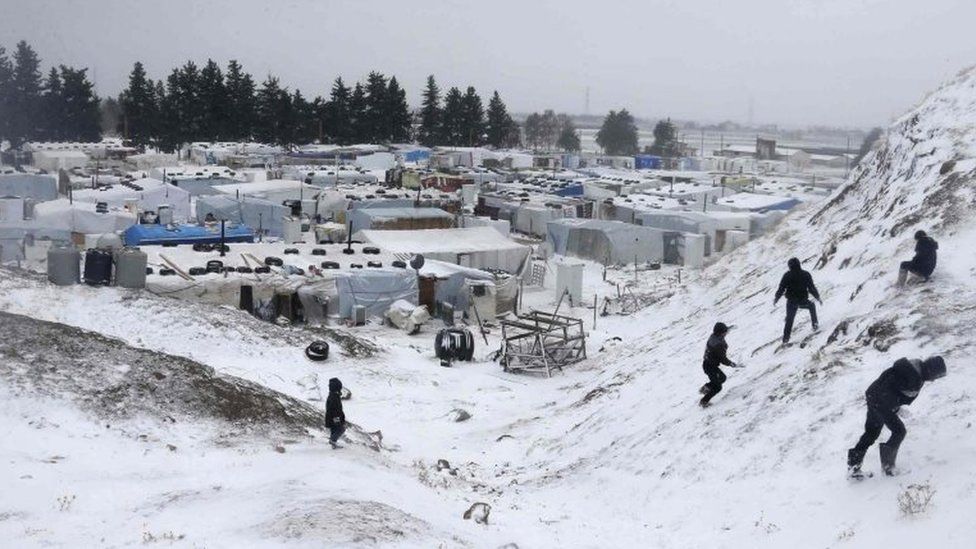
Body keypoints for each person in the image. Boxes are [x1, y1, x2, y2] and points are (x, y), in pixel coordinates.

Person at [847, 356, 946, 478]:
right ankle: (888, 468)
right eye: (936, 376)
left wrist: (894, 407)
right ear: (932, 371)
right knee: (899, 431)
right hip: (881, 402)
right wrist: (895, 408)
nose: (934, 380)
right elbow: (892, 393)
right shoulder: (914, 379)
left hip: (873, 395)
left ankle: (853, 467)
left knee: (871, 433)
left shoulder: (910, 367)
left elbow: (888, 384)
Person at [774, 257, 822, 344]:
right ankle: (815, 325)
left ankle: (785, 339)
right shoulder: (805, 274)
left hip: (791, 302)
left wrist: (776, 298)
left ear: (789, 266)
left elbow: (781, 289)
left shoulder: (787, 275)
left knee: (789, 320)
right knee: (812, 306)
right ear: (799, 264)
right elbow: (811, 288)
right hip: (802, 300)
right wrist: (818, 297)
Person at [699, 322, 741, 407]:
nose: (726, 333)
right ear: (721, 333)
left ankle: (706, 388)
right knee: (718, 387)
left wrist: (730, 327)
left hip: (709, 364)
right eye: (725, 332)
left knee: (722, 378)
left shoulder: (714, 336)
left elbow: (722, 331)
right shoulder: (718, 345)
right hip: (710, 367)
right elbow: (723, 359)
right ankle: (704, 401)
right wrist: (732, 364)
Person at [325, 377, 347, 449]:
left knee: (334, 429)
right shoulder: (334, 397)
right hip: (335, 417)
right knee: (341, 428)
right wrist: (336, 418)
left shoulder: (333, 395)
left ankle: (333, 445)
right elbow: (334, 409)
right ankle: (332, 441)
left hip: (331, 417)